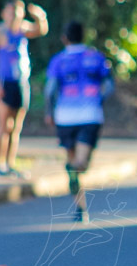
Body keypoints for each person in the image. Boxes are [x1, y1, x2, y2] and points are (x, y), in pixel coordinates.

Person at [44, 21, 113, 223]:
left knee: (72, 159)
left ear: (64, 38)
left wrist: (49, 112)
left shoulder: (58, 60)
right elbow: (109, 85)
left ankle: (80, 208)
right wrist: (98, 100)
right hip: (90, 115)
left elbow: (50, 90)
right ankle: (75, 175)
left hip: (64, 117)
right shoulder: (96, 57)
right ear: (84, 36)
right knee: (81, 163)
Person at [0, 0, 48, 177]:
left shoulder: (23, 28)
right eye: (10, 12)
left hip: (21, 82)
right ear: (4, 13)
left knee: (16, 127)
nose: (13, 16)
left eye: (17, 12)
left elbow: (41, 30)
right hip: (4, 82)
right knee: (3, 124)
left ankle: (10, 165)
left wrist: (40, 16)